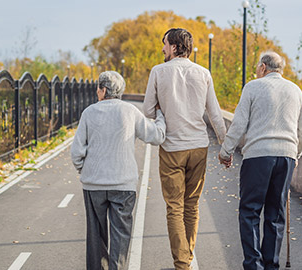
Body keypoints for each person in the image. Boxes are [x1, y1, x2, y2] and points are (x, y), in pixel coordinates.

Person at [219, 51, 302, 270]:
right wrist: (295, 154)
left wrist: (226, 151)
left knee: (250, 211)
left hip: (258, 157)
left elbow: (239, 123)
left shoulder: (252, 87)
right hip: (286, 156)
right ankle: (271, 265)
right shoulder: (295, 90)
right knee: (275, 214)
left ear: (262, 67)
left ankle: (253, 265)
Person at [143, 28, 227, 270]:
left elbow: (148, 111)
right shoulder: (203, 73)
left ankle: (182, 264)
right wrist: (226, 148)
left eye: (165, 44)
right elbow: (214, 113)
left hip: (172, 147)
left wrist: (162, 107)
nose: (162, 49)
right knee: (191, 205)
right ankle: (187, 258)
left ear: (176, 47)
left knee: (174, 207)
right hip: (199, 147)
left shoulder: (158, 71)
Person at [70, 71, 166, 270]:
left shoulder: (89, 112)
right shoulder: (129, 112)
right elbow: (156, 137)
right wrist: (161, 117)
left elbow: (76, 152)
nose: (97, 91)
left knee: (96, 235)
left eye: (98, 87)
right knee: (121, 233)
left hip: (93, 185)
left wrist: (85, 170)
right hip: (123, 185)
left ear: (103, 90)